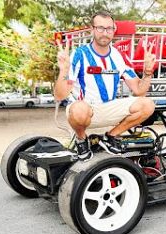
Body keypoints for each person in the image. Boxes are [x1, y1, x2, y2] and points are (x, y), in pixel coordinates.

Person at [55, 11, 156, 158]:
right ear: (92, 30)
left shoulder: (118, 55)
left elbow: (139, 91)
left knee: (147, 104)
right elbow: (60, 95)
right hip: (84, 109)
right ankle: (81, 140)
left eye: (109, 29)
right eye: (100, 28)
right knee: (79, 109)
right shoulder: (79, 53)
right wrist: (63, 69)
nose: (105, 33)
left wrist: (147, 72)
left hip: (108, 107)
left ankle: (110, 137)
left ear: (114, 30)